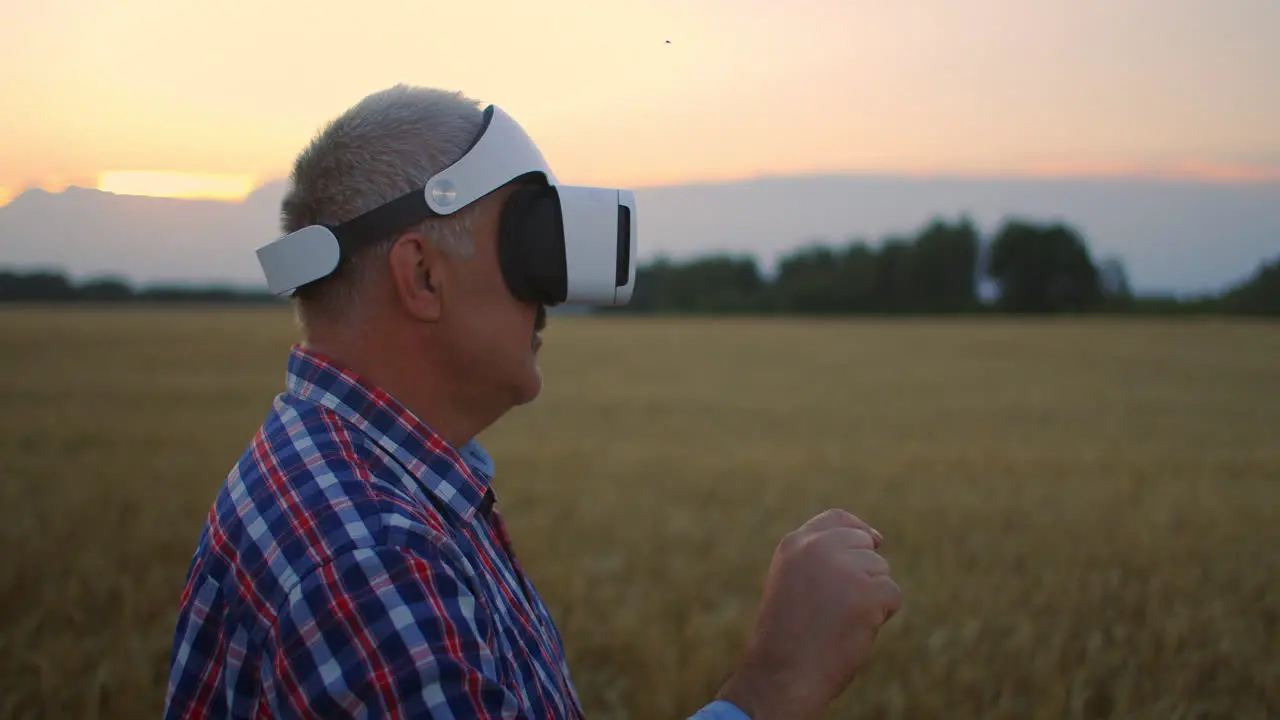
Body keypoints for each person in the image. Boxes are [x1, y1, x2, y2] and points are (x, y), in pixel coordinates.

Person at [164, 84, 902, 720]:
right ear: (422, 276)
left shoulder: (351, 476)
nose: (553, 288)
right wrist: (774, 685)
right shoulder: (369, 560)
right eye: (528, 239)